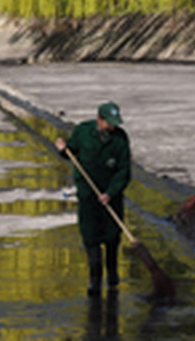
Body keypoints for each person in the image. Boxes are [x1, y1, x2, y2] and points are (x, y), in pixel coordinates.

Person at [55, 102, 132, 297]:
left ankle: (113, 273)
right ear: (100, 119)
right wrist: (63, 148)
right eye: (110, 123)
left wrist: (111, 192)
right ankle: (95, 280)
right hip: (88, 196)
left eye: (116, 123)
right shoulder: (83, 131)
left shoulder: (120, 139)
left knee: (112, 236)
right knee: (91, 238)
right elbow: (70, 152)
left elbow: (124, 171)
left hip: (111, 196)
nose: (113, 127)